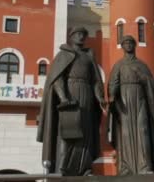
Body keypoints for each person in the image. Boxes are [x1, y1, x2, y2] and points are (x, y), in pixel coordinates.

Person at [36, 27, 105, 176]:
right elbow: (57, 78)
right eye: (78, 34)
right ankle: (63, 167)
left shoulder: (88, 56)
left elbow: (95, 81)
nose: (81, 37)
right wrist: (63, 97)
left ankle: (85, 167)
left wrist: (99, 97)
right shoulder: (63, 54)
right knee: (69, 130)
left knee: (86, 132)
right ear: (71, 36)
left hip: (87, 95)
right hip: (71, 93)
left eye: (84, 34)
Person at [108, 35, 154, 175]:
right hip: (124, 100)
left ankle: (145, 166)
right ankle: (126, 167)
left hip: (140, 99)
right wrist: (113, 95)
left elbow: (151, 84)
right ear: (123, 46)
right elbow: (113, 83)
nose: (129, 45)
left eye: (131, 43)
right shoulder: (119, 65)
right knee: (125, 133)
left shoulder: (141, 65)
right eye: (126, 43)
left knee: (142, 129)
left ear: (134, 46)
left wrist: (143, 78)